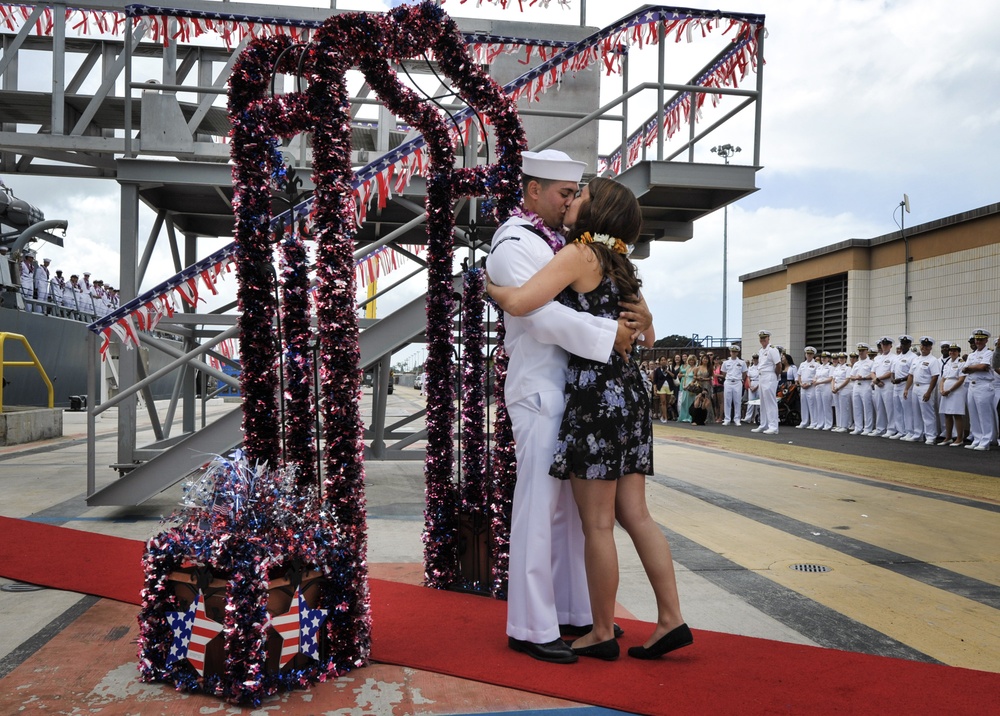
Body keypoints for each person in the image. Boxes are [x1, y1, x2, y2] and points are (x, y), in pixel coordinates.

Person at [488, 175, 689, 663]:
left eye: (581, 195)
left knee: (596, 524)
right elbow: (649, 335)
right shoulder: (622, 263)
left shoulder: (580, 253)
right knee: (636, 514)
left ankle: (599, 629)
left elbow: (521, 303)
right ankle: (670, 619)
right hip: (631, 394)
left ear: (597, 211)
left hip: (595, 396)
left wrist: (489, 285)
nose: (573, 199)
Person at [963, 329, 995, 451]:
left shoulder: (989, 353)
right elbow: (964, 369)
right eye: (977, 339)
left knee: (984, 415)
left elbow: (983, 366)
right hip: (972, 385)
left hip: (984, 385)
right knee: (974, 414)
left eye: (981, 339)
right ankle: (977, 439)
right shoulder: (971, 355)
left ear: (986, 340)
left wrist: (971, 368)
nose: (979, 341)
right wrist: (974, 368)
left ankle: (986, 441)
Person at [904, 337, 941, 444]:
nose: (924, 348)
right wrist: (906, 388)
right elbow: (911, 375)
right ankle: (918, 434)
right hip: (915, 387)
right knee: (916, 412)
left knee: (927, 413)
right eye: (922, 346)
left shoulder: (933, 360)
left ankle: (930, 436)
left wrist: (929, 392)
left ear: (930, 348)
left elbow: (935, 377)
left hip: (926, 386)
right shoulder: (916, 359)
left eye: (926, 346)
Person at [752, 330, 781, 435]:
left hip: (769, 376)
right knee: (763, 403)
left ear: (768, 338)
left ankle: (773, 426)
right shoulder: (761, 351)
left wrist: (775, 376)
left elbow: (778, 365)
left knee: (770, 402)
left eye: (764, 338)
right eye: (761, 338)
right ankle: (763, 424)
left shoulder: (772, 350)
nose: (762, 340)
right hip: (761, 376)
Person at [938, 342, 967, 447]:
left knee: (957, 414)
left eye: (954, 351)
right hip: (946, 390)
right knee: (947, 414)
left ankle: (959, 438)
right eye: (951, 350)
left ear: (958, 352)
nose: (952, 352)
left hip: (956, 391)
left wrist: (949, 390)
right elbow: (943, 378)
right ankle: (948, 437)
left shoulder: (961, 363)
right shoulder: (948, 363)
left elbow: (961, 380)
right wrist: (941, 389)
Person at [871, 337, 896, 437]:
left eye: (886, 344)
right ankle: (880, 428)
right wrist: (876, 380)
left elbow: (891, 372)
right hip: (878, 385)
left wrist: (878, 379)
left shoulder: (894, 357)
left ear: (890, 346)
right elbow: (872, 372)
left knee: (889, 408)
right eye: (883, 344)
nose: (884, 346)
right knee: (879, 408)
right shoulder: (877, 358)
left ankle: (891, 428)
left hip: (887, 385)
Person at [850, 343, 875, 436]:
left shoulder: (871, 363)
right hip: (857, 385)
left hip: (866, 385)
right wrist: (856, 377)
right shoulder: (856, 363)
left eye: (862, 351)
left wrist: (863, 378)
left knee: (867, 407)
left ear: (867, 351)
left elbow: (873, 375)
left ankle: (868, 428)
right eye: (859, 351)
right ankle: (858, 427)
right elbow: (851, 376)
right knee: (857, 407)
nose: (860, 353)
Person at [720, 344, 747, 426]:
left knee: (737, 401)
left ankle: (737, 419)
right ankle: (727, 419)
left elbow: (744, 373)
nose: (733, 353)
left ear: (737, 353)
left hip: (737, 382)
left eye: (735, 352)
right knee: (727, 401)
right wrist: (728, 378)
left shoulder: (742, 362)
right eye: (732, 351)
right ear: (730, 352)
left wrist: (740, 379)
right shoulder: (725, 362)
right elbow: (724, 373)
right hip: (728, 382)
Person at [795, 347, 817, 429]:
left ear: (813, 355)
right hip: (803, 386)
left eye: (811, 354)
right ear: (805, 354)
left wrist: (809, 383)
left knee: (812, 404)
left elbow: (816, 376)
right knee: (803, 404)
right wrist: (800, 384)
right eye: (808, 354)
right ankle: (804, 422)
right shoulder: (802, 364)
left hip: (811, 386)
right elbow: (799, 375)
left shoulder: (816, 365)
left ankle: (813, 422)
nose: (809, 355)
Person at [653, 356, 675, 424]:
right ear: (659, 362)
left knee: (667, 402)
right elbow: (655, 381)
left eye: (664, 360)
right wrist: (655, 389)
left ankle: (663, 414)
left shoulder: (670, 368)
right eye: (662, 360)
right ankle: (665, 417)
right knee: (663, 402)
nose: (663, 361)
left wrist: (668, 371)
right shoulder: (657, 370)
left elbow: (674, 376)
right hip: (661, 387)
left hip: (669, 387)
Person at [677, 354, 698, 423]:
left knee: (690, 402)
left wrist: (689, 385)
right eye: (690, 360)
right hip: (685, 386)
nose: (691, 361)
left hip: (691, 387)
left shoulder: (695, 368)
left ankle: (690, 417)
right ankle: (684, 416)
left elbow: (695, 378)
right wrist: (684, 385)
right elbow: (685, 377)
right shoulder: (688, 369)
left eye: (692, 360)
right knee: (684, 402)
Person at [743, 353, 760, 424]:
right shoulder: (750, 368)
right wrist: (750, 386)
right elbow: (748, 378)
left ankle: (757, 417)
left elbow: (761, 378)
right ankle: (748, 417)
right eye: (754, 359)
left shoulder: (760, 367)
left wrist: (756, 387)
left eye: (756, 358)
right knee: (751, 401)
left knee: (758, 402)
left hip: (758, 383)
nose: (755, 360)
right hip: (752, 383)